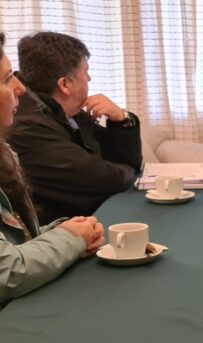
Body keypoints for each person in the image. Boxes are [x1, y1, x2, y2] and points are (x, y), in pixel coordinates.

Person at [0, 32, 104, 307]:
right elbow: (6, 272)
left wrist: (64, 230)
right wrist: (70, 240)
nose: (20, 88)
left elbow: (15, 240)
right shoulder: (28, 130)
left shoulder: (5, 151)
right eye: (8, 78)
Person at [7, 32, 142, 225]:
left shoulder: (63, 108)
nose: (89, 78)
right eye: (86, 72)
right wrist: (128, 170)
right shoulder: (26, 126)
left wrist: (122, 120)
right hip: (61, 232)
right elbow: (108, 180)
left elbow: (123, 163)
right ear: (64, 84)